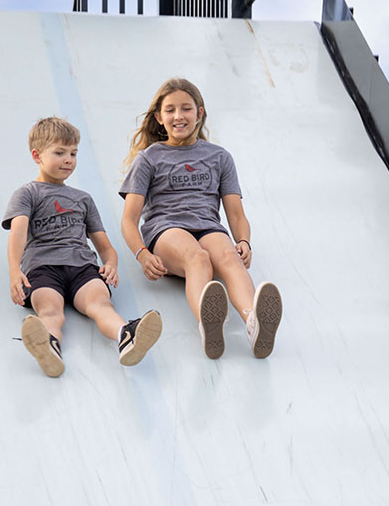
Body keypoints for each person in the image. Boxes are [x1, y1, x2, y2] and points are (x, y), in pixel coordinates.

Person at [119, 78, 282, 360]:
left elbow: (235, 212)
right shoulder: (149, 158)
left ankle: (253, 323)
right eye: (170, 110)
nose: (178, 116)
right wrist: (142, 254)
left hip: (208, 227)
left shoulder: (219, 157)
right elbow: (129, 219)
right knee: (198, 258)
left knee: (229, 256)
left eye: (186, 109)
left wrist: (244, 241)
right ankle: (209, 326)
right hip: (167, 229)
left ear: (200, 113)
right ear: (159, 117)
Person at [3, 117, 162, 377]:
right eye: (59, 152)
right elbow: (18, 233)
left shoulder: (83, 199)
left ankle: (127, 336)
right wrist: (13, 270)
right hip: (43, 268)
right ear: (37, 155)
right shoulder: (27, 193)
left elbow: (104, 246)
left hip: (83, 268)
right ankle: (49, 345)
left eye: (73, 153)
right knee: (50, 308)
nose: (68, 159)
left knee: (100, 304)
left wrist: (110, 264)